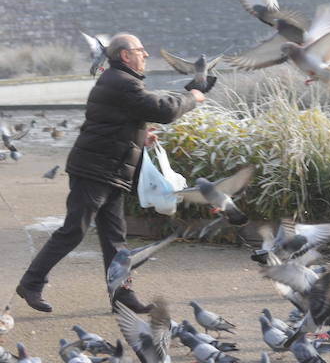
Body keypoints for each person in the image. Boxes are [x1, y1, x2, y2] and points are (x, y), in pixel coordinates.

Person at [16, 33, 207, 314]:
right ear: (125, 55)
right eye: (141, 50)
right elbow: (162, 110)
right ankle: (31, 283)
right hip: (95, 171)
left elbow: (114, 123)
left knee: (116, 240)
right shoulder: (122, 82)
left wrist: (141, 137)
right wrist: (191, 97)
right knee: (73, 231)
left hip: (110, 171)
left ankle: (122, 295)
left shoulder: (119, 82)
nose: (146, 55)